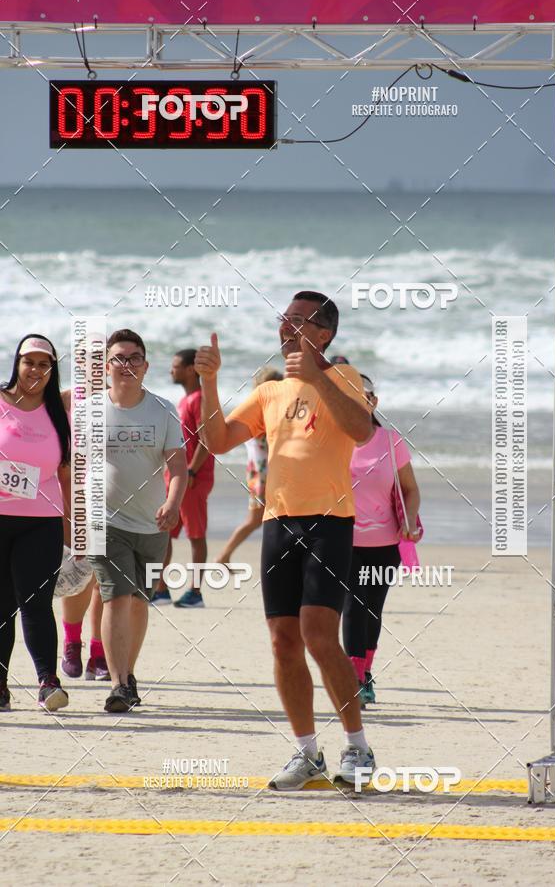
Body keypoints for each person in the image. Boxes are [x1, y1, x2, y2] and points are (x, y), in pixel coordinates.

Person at [195, 291, 376, 789]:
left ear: (324, 333)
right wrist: (209, 382)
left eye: (298, 321)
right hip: (279, 523)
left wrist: (317, 376)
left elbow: (362, 431)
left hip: (330, 520)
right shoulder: (271, 392)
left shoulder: (345, 378)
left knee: (320, 635)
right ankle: (307, 753)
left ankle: (358, 748)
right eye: (284, 319)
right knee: (282, 642)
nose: (287, 327)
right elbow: (217, 440)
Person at [88, 329, 187, 712]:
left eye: (134, 359)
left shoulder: (163, 410)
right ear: (106, 366)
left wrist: (174, 503)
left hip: (153, 526)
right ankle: (117, 685)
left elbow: (177, 465)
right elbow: (75, 469)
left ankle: (127, 674)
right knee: (116, 596)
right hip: (106, 523)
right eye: (118, 358)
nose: (126, 365)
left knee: (140, 601)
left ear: (145, 367)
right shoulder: (92, 411)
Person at [0, 335, 71, 712]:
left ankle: (48, 683)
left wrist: (73, 526)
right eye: (30, 361)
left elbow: (64, 472)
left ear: (52, 369)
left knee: (36, 602)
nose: (36, 370)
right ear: (17, 362)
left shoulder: (58, 411)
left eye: (45, 364)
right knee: (0, 606)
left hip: (41, 521)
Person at [343, 374, 421, 706]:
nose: (357, 400)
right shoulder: (332, 441)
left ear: (374, 401)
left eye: (363, 395)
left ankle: (365, 672)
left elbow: (411, 490)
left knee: (372, 610)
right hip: (343, 541)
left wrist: (407, 518)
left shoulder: (391, 441)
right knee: (352, 607)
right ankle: (354, 679)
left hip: (386, 545)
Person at [153, 349, 215, 608]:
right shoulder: (184, 400)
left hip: (192, 479)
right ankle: (161, 589)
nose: (171, 370)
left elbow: (207, 438)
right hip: (178, 478)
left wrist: (190, 470)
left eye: (176, 365)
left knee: (196, 535)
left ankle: (196, 593)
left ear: (191, 369)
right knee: (165, 532)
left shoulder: (200, 398)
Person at [60, 383, 109, 680]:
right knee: (77, 570)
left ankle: (99, 652)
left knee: (106, 577)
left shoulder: (120, 401)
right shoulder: (62, 401)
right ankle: (72, 642)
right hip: (73, 498)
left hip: (112, 498)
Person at [215, 366, 283, 566]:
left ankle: (225, 555)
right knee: (255, 520)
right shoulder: (262, 412)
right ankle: (224, 555)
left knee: (263, 519)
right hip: (262, 474)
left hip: (259, 471)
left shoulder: (255, 409)